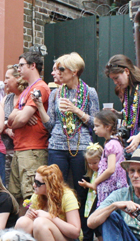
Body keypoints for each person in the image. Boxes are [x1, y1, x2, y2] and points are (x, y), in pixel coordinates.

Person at [34, 53, 98, 220]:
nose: (58, 72)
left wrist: (75, 110)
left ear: (74, 71)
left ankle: (83, 233)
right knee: (54, 188)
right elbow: (50, 125)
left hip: (81, 146)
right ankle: (56, 224)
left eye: (61, 69)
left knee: (81, 189)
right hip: (57, 146)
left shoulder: (90, 93)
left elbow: (95, 123)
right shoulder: (56, 93)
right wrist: (40, 107)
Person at [15, 164, 81, 241]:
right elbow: (28, 225)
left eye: (38, 183)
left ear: (50, 184)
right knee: (22, 222)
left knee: (41, 223)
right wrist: (30, 215)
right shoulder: (37, 196)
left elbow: (75, 231)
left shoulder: (67, 195)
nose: (34, 185)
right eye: (34, 181)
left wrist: (50, 217)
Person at [6, 47, 50, 202]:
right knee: (16, 195)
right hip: (21, 148)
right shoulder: (26, 91)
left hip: (33, 149)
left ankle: (32, 226)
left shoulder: (39, 87)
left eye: (21, 65)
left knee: (32, 196)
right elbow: (11, 117)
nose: (18, 69)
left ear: (33, 66)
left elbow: (21, 119)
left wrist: (15, 121)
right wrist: (16, 118)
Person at [104, 54, 140, 164]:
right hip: (132, 147)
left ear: (126, 71)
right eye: (113, 79)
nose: (115, 82)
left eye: (116, 78)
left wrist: (138, 138)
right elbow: (134, 115)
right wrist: (118, 115)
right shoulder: (128, 90)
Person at [1, 64, 27, 186]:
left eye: (7, 78)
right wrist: (7, 129)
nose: (4, 81)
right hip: (6, 149)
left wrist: (7, 124)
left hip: (23, 149)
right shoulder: (6, 99)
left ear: (18, 78)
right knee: (7, 185)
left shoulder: (28, 97)